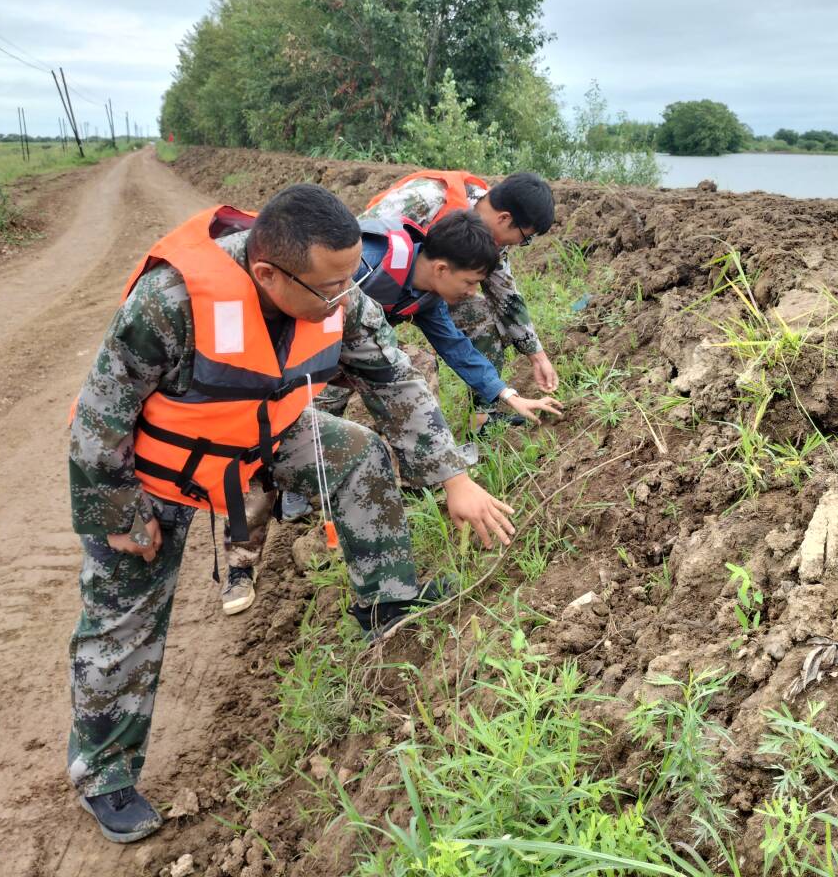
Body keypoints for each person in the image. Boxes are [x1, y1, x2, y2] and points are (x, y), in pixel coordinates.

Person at [66, 185, 514, 843]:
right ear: (269, 273)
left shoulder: (340, 293)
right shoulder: (172, 302)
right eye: (329, 288)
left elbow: (392, 380)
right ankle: (104, 772)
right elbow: (102, 412)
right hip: (155, 465)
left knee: (358, 456)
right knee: (124, 615)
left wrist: (453, 475)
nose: (345, 298)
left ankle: (385, 605)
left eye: (347, 282)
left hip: (260, 433)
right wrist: (113, 509)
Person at [316, 209, 564, 426]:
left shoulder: (428, 297)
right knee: (312, 417)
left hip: (349, 348)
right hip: (309, 349)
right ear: (442, 269)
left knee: (416, 363)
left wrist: (509, 396)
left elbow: (456, 346)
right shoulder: (365, 263)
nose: (472, 292)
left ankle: (420, 466)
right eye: (470, 282)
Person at [363, 170, 559, 424]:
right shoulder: (426, 199)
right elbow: (359, 244)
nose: (520, 244)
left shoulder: (490, 244)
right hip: (367, 288)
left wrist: (536, 357)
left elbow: (504, 294)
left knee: (478, 312)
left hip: (421, 293)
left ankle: (483, 417)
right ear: (504, 218)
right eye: (525, 238)